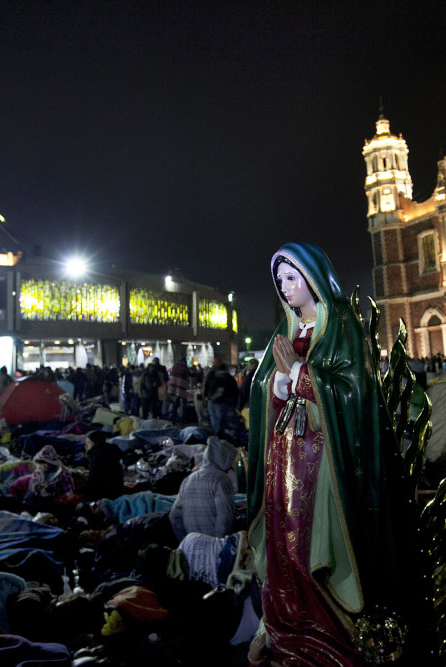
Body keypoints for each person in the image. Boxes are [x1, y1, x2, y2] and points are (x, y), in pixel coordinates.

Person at [247, 242, 425, 665]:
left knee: (315, 544)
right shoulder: (286, 328)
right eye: (280, 280)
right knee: (285, 541)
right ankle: (286, 620)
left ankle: (332, 623)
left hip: (326, 460)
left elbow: (353, 391)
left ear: (312, 276)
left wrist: (298, 372)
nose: (285, 287)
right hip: (286, 455)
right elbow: (262, 388)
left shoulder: (341, 322)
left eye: (292, 277)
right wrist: (276, 385)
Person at [168, 435, 237, 542]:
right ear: (224, 459)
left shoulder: (188, 479)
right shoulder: (221, 479)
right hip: (214, 545)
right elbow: (225, 519)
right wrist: (217, 545)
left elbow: (174, 515)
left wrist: (185, 541)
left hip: (192, 545)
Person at [81, 430, 124, 500]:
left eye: (89, 443)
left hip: (106, 493)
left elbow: (93, 480)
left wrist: (78, 491)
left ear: (96, 443)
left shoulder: (97, 457)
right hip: (118, 489)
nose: (86, 446)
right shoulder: (110, 450)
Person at [204, 357, 238, 435]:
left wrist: (206, 396)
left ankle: (217, 433)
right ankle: (222, 433)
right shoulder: (229, 378)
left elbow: (206, 386)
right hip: (225, 401)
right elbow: (235, 391)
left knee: (214, 418)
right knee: (222, 418)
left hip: (213, 400)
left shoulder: (212, 375)